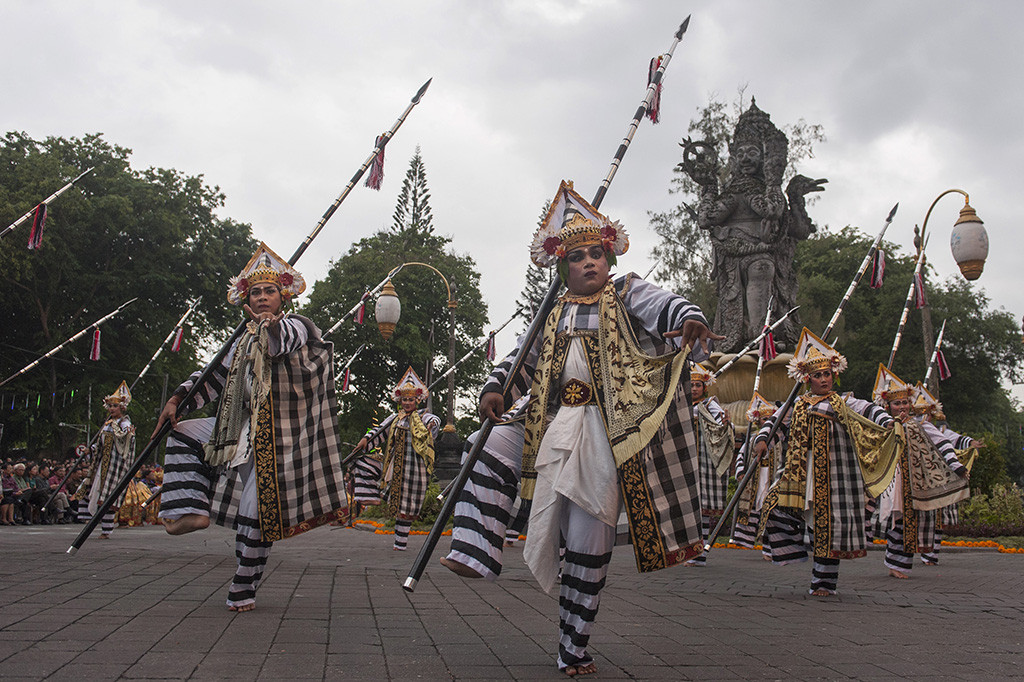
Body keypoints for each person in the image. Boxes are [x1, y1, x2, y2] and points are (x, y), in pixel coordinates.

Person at [440, 181, 720, 676]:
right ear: (562, 267)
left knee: (589, 543)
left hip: (605, 430)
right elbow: (520, 359)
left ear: (608, 259)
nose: (589, 262)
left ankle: (573, 646)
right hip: (548, 420)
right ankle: (474, 548)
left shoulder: (627, 292)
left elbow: (666, 305)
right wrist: (495, 387)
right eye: (577, 257)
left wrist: (690, 317)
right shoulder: (551, 312)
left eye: (596, 254)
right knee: (486, 441)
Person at [154, 242, 348, 612]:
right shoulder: (241, 339)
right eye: (255, 292)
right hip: (238, 427)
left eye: (269, 291)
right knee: (181, 431)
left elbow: (278, 344)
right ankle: (192, 510)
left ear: (283, 296)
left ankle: (244, 585)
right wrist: (177, 399)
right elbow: (212, 376)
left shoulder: (298, 326)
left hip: (279, 436)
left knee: (256, 513)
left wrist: (267, 328)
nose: (261, 297)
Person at [755, 328, 898, 596]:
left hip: (833, 477)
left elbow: (869, 409)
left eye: (827, 374)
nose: (823, 379)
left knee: (826, 528)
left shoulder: (842, 402)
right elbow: (776, 422)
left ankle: (823, 583)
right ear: (807, 378)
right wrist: (763, 440)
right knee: (773, 504)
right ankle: (794, 549)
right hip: (798, 473)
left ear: (834, 375)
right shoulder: (798, 404)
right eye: (818, 375)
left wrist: (887, 422)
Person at [871, 365, 970, 579]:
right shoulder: (882, 425)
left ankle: (898, 563)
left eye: (905, 402)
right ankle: (895, 563)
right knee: (895, 519)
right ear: (888, 406)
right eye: (897, 403)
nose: (902, 407)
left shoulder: (920, 425)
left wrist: (957, 467)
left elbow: (943, 443)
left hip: (915, 481)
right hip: (890, 481)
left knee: (910, 520)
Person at [350, 368, 441, 551]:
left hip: (415, 468)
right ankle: (370, 497)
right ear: (400, 401)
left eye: (410, 400)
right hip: (395, 466)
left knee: (407, 506)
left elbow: (434, 421)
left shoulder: (423, 416)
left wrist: (432, 425)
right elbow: (379, 431)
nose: (407, 403)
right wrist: (366, 439)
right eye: (404, 400)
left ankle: (400, 544)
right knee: (363, 464)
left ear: (417, 400)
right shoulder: (395, 418)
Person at [911, 382, 981, 565]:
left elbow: (953, 439)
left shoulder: (939, 431)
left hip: (939, 480)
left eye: (925, 414)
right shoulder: (910, 426)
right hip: (920, 478)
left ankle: (931, 555)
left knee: (938, 519)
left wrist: (970, 443)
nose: (922, 417)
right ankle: (919, 552)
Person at [686, 364, 732, 566]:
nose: (694, 389)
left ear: (704, 387)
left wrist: (725, 422)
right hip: (686, 460)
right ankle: (689, 551)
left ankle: (699, 554)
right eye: (691, 385)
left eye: (698, 385)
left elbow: (722, 423)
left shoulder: (709, 404)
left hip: (702, 461)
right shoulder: (682, 405)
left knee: (702, 508)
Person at [732, 391, 781, 557]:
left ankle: (769, 548)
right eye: (764, 419)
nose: (766, 422)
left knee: (772, 511)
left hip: (773, 478)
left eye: (769, 419)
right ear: (758, 421)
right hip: (756, 479)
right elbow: (741, 456)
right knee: (754, 509)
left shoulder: (779, 439)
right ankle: (746, 540)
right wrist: (740, 472)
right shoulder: (753, 439)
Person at [84, 382, 136, 538]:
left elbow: (127, 439)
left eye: (115, 406)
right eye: (110, 406)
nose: (112, 409)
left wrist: (127, 435)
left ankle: (106, 530)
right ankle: (91, 523)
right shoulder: (107, 424)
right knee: (92, 491)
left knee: (108, 497)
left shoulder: (124, 423)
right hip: (102, 463)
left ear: (122, 407)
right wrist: (91, 449)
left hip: (114, 465)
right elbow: (101, 444)